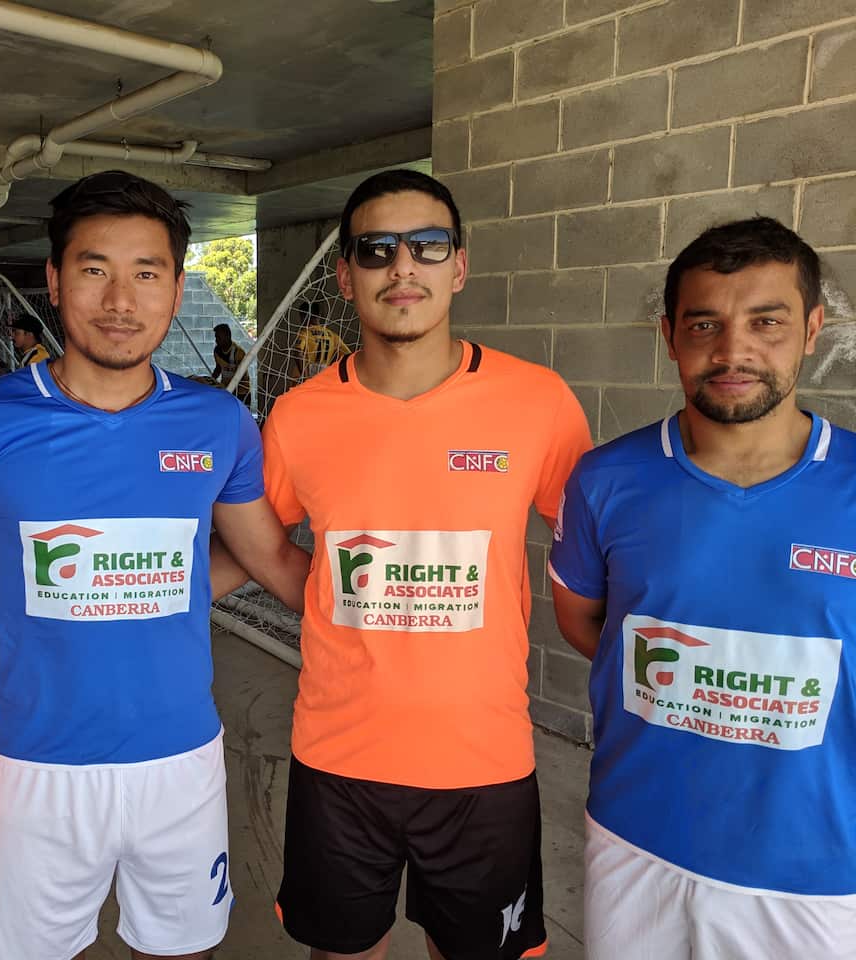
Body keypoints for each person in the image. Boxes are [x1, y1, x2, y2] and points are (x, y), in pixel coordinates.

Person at [0, 169, 310, 960]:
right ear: (54, 281)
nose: (120, 300)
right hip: (36, 769)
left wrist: (376, 638)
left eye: (146, 274)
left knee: (184, 949)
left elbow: (267, 557)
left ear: (177, 289)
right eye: (95, 270)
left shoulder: (218, 422)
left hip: (182, 759)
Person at [258, 169, 591, 960]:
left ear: (459, 266)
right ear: (346, 276)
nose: (402, 265)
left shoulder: (539, 402)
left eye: (428, 245)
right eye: (375, 248)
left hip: (483, 758)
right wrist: (322, 593)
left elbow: (594, 547)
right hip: (337, 758)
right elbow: (259, 539)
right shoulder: (298, 416)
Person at [550, 217, 856, 959]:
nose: (732, 351)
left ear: (812, 329)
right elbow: (588, 625)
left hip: (815, 871)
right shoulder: (605, 478)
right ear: (669, 335)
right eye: (704, 324)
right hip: (635, 840)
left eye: (766, 322)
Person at [287, 299, 351, 383]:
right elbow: (348, 355)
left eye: (302, 317)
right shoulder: (333, 336)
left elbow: (297, 352)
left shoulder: (305, 333)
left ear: (305, 316)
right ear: (319, 315)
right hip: (322, 378)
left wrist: (305, 377)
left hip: (302, 378)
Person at [212, 321, 251, 404]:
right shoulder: (217, 351)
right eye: (216, 337)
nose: (216, 340)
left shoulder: (238, 352)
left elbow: (241, 375)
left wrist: (230, 388)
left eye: (219, 337)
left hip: (242, 392)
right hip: (227, 390)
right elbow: (218, 368)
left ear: (227, 336)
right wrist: (210, 381)